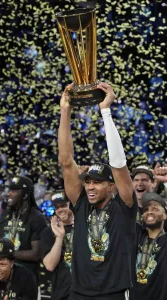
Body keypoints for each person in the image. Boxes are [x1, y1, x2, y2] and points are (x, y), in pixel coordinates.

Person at [58, 82, 137, 299]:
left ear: (111, 186)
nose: (90, 187)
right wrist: (65, 110)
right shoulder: (81, 202)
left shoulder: (124, 207)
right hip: (79, 292)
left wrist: (105, 112)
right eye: (88, 182)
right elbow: (66, 161)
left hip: (113, 293)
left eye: (97, 182)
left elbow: (119, 163)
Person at [130, 165, 167, 300]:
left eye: (155, 209)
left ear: (165, 215)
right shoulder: (137, 235)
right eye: (146, 210)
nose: (149, 212)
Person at [0, 176, 48, 286]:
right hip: (3, 277)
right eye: (9, 190)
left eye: (14, 191)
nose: (9, 193)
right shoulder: (5, 215)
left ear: (25, 195)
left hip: (26, 280)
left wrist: (6, 253)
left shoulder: (37, 218)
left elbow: (36, 254)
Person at [40, 191, 74, 300]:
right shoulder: (47, 232)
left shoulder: (84, 227)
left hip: (85, 290)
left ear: (72, 204)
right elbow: (50, 265)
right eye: (56, 207)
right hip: (61, 292)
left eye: (63, 205)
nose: (60, 210)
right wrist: (59, 238)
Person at [131, 165, 167, 231]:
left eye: (144, 180)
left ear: (153, 183)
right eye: (136, 180)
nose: (139, 183)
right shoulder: (126, 210)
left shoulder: (166, 211)